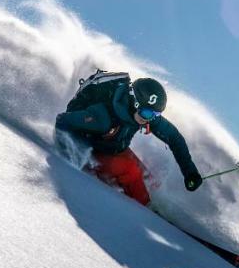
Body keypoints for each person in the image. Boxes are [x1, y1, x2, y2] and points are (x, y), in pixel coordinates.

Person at [55, 73, 203, 207]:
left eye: (155, 115)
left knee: (149, 181)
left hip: (114, 146)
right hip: (94, 151)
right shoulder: (102, 117)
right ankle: (148, 212)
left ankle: (155, 205)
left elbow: (174, 138)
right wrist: (69, 161)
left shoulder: (145, 115)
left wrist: (190, 172)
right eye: (147, 113)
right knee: (131, 171)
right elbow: (63, 121)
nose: (149, 119)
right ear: (135, 103)